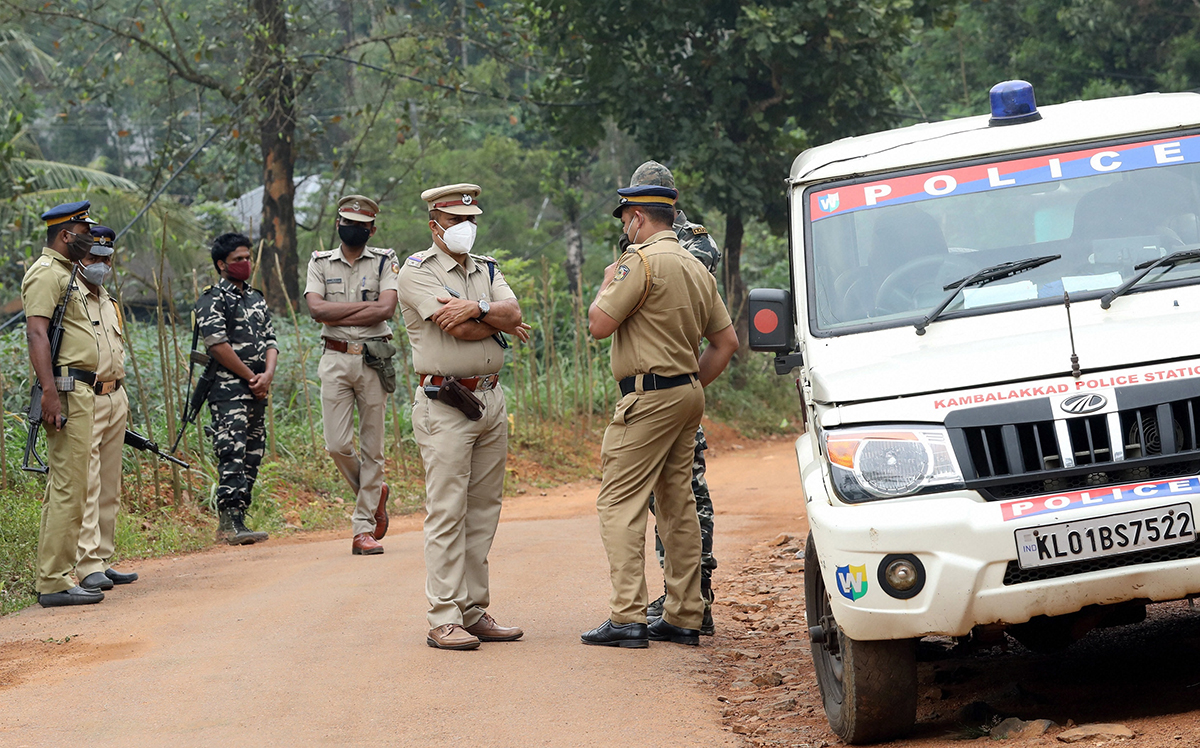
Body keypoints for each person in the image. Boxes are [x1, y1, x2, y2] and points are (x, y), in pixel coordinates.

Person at [581, 183, 739, 648]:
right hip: (686, 394)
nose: (625, 227)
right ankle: (685, 613)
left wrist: (610, 278)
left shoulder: (641, 261)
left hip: (647, 399)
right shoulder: (695, 265)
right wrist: (684, 386)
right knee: (677, 505)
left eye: (625, 218)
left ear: (637, 218)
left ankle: (627, 616)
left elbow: (598, 324)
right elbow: (726, 343)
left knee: (618, 502)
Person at [397, 183, 530, 651]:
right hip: (445, 403)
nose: (466, 230)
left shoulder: (486, 268)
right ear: (435, 226)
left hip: (491, 400)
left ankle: (473, 611)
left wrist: (482, 308)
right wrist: (494, 320)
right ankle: (443, 615)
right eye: (457, 222)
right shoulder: (416, 273)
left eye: (471, 221)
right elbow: (459, 326)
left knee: (483, 511)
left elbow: (512, 313)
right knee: (448, 510)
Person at [625, 161, 723, 636]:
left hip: (675, 385)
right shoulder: (644, 242)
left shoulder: (695, 245)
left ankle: (695, 597)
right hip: (658, 388)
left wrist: (691, 383)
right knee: (667, 500)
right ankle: (677, 596)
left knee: (686, 497)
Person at [304, 195, 398, 556]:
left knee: (372, 447)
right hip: (335, 359)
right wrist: (367, 309)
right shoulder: (319, 262)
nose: (353, 229)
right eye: (347, 222)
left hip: (374, 359)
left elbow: (387, 308)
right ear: (337, 224)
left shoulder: (385, 261)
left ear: (371, 229)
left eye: (361, 225)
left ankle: (363, 530)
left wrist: (337, 312)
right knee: (336, 444)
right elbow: (316, 309)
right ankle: (375, 492)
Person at [22, 201, 103, 607]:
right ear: (65, 235)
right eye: (83, 230)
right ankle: (53, 581)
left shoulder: (68, 274)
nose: (89, 237)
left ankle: (58, 574)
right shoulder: (46, 274)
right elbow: (37, 335)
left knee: (73, 486)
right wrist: (50, 392)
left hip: (81, 390)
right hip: (66, 390)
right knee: (69, 488)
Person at [195, 233, 277, 545]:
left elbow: (271, 340)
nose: (245, 263)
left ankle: (241, 517)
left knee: (254, 452)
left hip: (258, 389)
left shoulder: (256, 298)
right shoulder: (212, 299)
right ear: (221, 264)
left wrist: (266, 375)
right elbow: (217, 345)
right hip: (228, 391)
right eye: (237, 259)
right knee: (232, 450)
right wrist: (250, 377)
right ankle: (228, 522)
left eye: (247, 257)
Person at [75, 225, 138, 592]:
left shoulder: (109, 301)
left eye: (105, 259)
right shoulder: (71, 299)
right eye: (92, 257)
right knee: (89, 481)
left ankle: (104, 558)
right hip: (88, 394)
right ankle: (86, 564)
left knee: (110, 484)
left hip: (117, 396)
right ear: (80, 259)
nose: (99, 264)